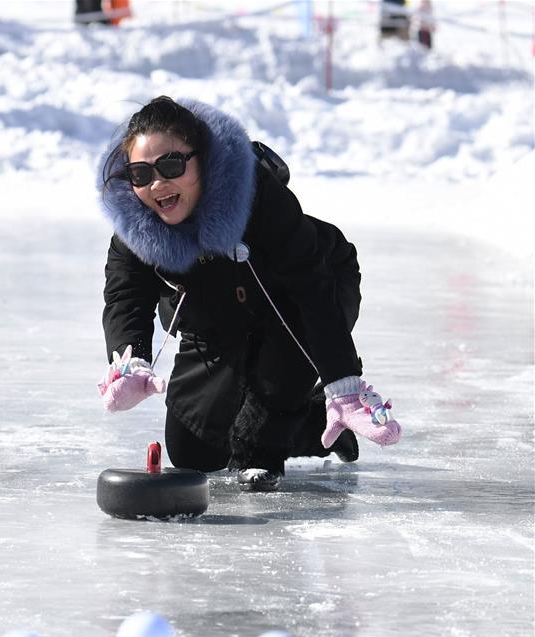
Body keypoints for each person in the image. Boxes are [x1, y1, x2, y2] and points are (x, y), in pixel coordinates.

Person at [97, 96, 401, 491]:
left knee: (256, 437)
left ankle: (267, 443)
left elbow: (311, 289)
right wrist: (130, 358)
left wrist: (342, 384)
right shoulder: (137, 227)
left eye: (171, 165)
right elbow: (125, 296)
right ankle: (313, 425)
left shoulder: (257, 198)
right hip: (218, 315)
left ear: (201, 160)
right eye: (140, 174)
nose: (157, 184)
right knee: (193, 451)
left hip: (302, 297)